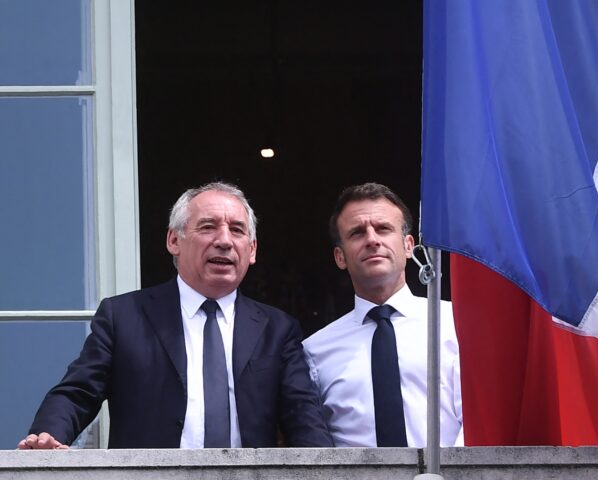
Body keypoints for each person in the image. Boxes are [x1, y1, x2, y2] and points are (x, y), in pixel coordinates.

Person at [18, 181, 332, 450]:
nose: (224, 240)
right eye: (208, 226)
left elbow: (302, 414)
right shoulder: (124, 317)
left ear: (251, 250)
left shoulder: (278, 329)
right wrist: (48, 437)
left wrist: (326, 469)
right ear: (173, 241)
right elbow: (77, 393)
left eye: (237, 230)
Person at [303, 182, 463, 447]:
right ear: (340, 257)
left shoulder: (455, 323)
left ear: (408, 245)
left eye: (383, 229)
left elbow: (479, 420)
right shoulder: (314, 351)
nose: (372, 239)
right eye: (357, 233)